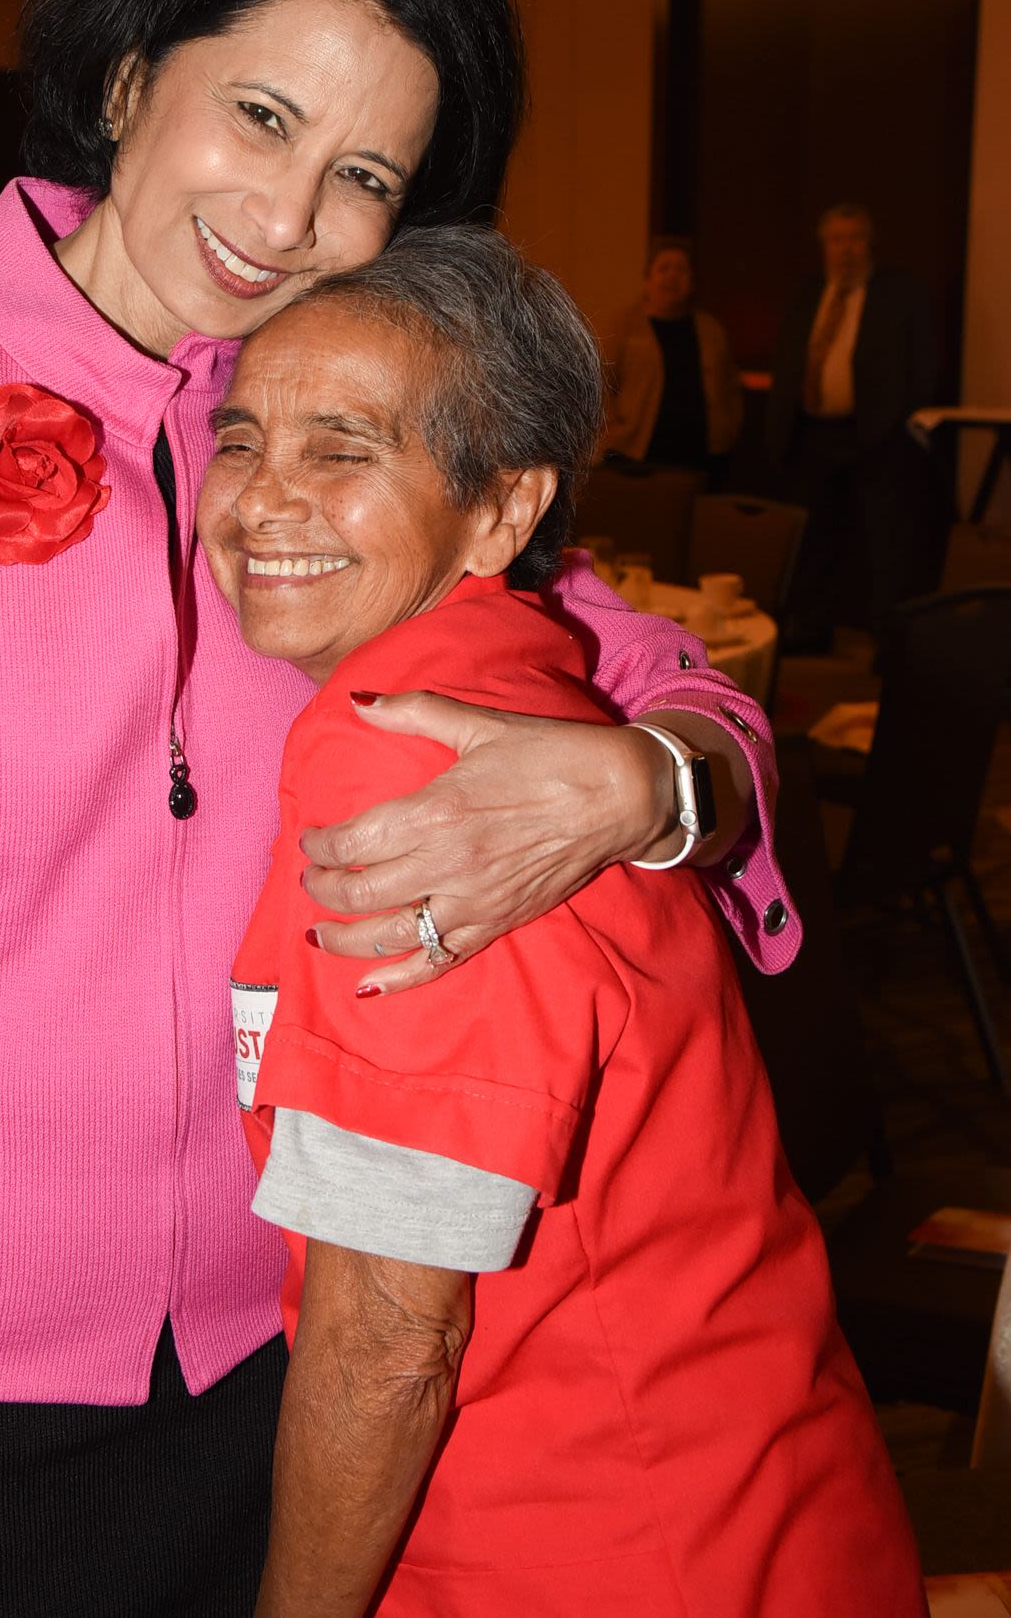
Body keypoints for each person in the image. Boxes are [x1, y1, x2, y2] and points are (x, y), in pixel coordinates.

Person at [0, 0, 793, 1618]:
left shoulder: (337, 445)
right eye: (255, 116)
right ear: (121, 80)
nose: (287, 216)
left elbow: (666, 682)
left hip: (281, 1364)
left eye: (361, 178)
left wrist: (648, 779)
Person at [207, 228, 925, 1618]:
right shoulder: (516, 675)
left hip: (594, 1538)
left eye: (341, 451)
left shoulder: (410, 755)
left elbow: (383, 1338)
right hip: (744, 1487)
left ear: (499, 512)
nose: (259, 501)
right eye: (242, 442)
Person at [768, 201, 942, 646]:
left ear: (870, 244)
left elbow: (923, 365)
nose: (845, 250)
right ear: (823, 245)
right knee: (814, 541)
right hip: (811, 434)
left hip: (876, 437)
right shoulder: (809, 292)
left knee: (885, 545)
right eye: (836, 240)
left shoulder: (898, 295)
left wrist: (899, 425)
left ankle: (888, 641)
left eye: (855, 239)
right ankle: (811, 631)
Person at [605, 234, 742, 474]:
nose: (672, 276)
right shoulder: (624, 327)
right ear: (648, 279)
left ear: (692, 281)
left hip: (701, 456)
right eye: (664, 268)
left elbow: (730, 386)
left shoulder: (711, 329)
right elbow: (601, 383)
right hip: (636, 454)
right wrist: (615, 431)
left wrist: (728, 430)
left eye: (681, 269)